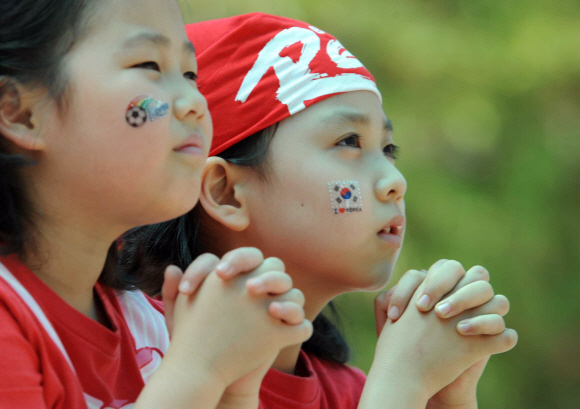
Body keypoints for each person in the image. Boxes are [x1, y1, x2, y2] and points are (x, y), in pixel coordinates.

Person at [124, 13, 518, 409]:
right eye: (349, 141)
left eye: (388, 150)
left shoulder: (348, 394)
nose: (396, 181)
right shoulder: (139, 357)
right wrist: (404, 382)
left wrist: (447, 399)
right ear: (226, 193)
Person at [0, 3, 312, 408]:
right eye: (149, 64)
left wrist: (235, 388)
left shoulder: (151, 326)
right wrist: (200, 369)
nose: (195, 103)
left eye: (189, 74)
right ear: (21, 112)